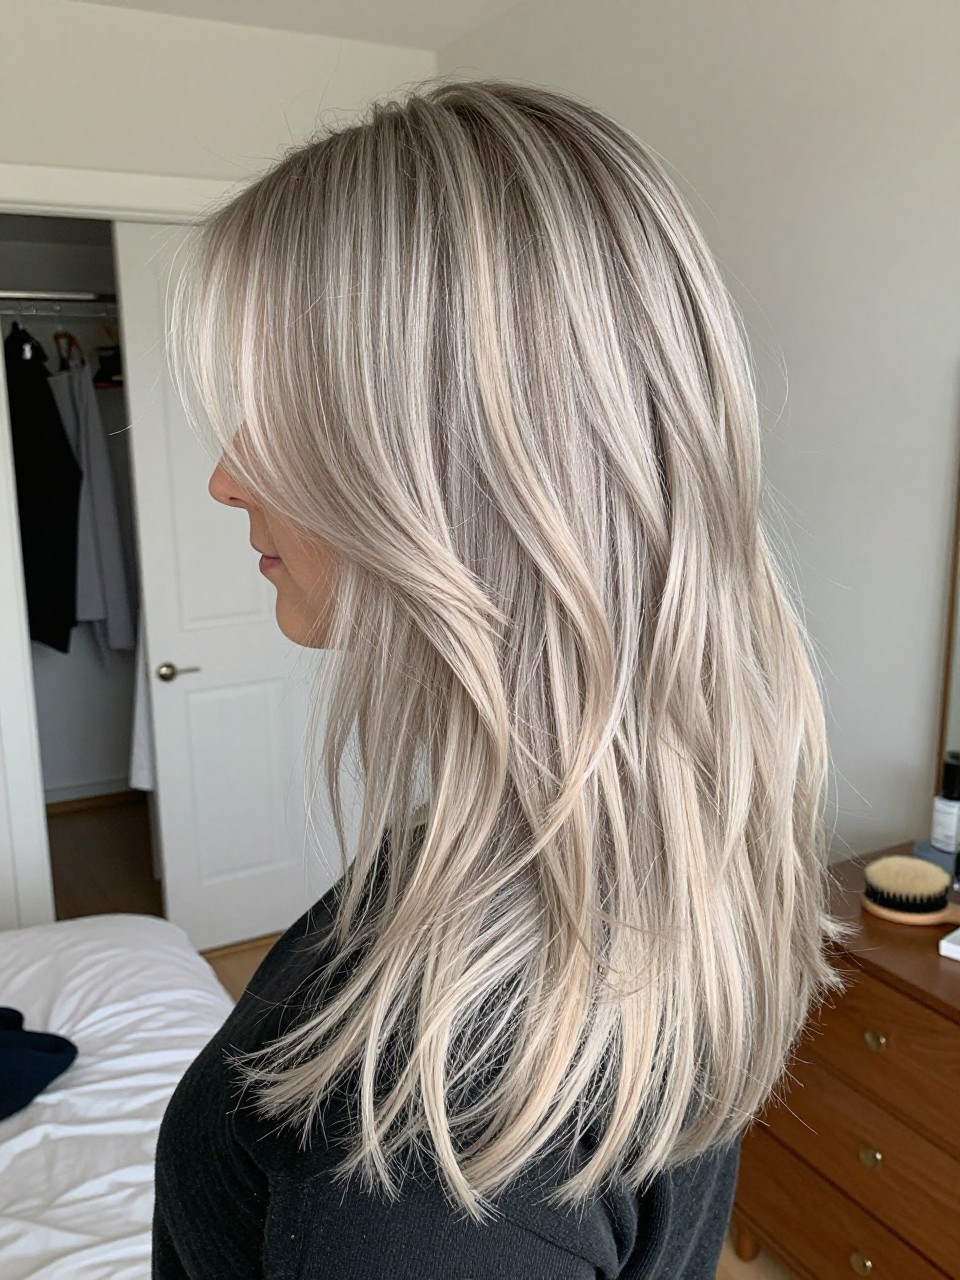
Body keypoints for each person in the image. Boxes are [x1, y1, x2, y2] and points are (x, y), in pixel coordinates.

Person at [152, 77, 850, 1278]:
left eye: (276, 411)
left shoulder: (420, 1160)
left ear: (431, 464)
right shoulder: (636, 837)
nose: (224, 478)